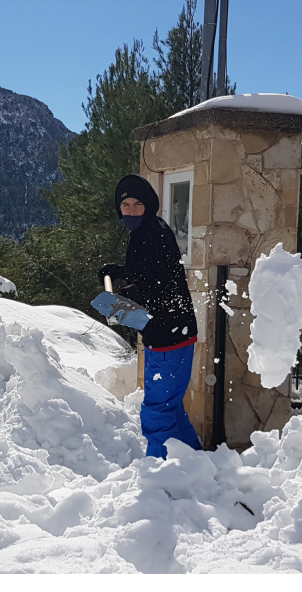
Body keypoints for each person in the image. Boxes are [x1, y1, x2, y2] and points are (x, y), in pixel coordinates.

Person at [98, 173, 202, 458]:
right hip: (172, 333)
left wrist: (133, 295)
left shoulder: (153, 234)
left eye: (137, 204)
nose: (131, 210)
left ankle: (162, 474)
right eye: (126, 205)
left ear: (149, 205)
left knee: (157, 412)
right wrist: (119, 273)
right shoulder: (146, 232)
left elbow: (164, 284)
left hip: (169, 335)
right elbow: (147, 273)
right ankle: (196, 465)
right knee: (171, 407)